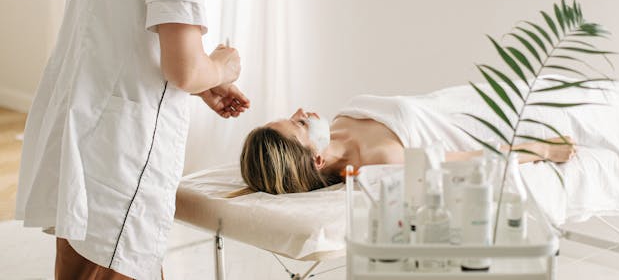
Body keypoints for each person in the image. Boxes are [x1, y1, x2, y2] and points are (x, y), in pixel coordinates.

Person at [14, 0, 256, 279]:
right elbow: (183, 69)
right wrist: (221, 67)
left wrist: (204, 85)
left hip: (82, 132)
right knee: (124, 265)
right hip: (122, 149)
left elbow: (119, 43)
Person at [235, 84, 577, 195]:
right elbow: (473, 160)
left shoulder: (339, 121)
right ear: (317, 160)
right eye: (299, 124)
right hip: (503, 122)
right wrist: (542, 148)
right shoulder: (383, 161)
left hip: (479, 96)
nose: (301, 111)